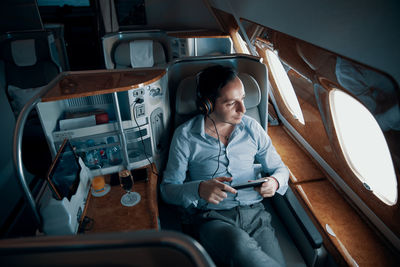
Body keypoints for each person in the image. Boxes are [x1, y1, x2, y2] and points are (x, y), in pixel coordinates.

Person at [160, 64, 289, 267]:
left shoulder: (252, 128)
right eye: (231, 103)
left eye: (243, 99)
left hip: (255, 215)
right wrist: (199, 189)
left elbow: (280, 169)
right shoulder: (185, 136)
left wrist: (274, 181)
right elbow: (167, 189)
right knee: (240, 247)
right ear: (208, 105)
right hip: (213, 218)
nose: (243, 110)